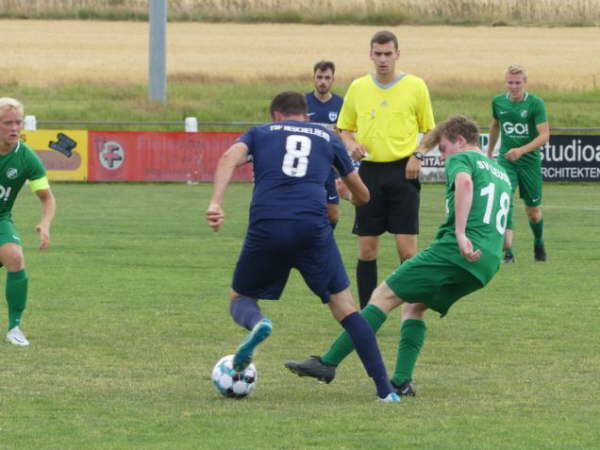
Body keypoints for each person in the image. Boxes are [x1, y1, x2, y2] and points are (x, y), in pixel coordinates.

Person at [285, 116, 512, 396]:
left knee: (383, 295)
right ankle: (402, 381)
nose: (441, 156)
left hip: (455, 250)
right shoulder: (500, 172)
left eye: (442, 148)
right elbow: (508, 234)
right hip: (487, 263)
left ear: (461, 141)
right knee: (414, 306)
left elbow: (464, 183)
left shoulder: (461, 159)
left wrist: (462, 234)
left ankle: (328, 362)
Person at [205, 91, 400, 402]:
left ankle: (258, 323)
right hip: (312, 228)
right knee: (347, 309)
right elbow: (363, 196)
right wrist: (343, 187)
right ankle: (385, 391)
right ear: (305, 115)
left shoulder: (261, 133)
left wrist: (216, 202)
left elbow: (229, 156)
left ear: (276, 116)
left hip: (267, 223)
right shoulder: (326, 136)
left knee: (240, 297)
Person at [336, 30, 436, 309]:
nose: (382, 59)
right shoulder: (358, 87)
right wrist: (350, 144)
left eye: (387, 54)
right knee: (367, 249)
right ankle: (369, 313)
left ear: (397, 54)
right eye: (377, 54)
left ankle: (412, 310)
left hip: (404, 172)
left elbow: (431, 130)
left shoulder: (415, 86)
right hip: (368, 173)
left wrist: (418, 155)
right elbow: (344, 129)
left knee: (407, 251)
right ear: (370, 55)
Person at [0, 97, 56, 347]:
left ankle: (14, 328)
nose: (14, 128)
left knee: (16, 258)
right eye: (7, 123)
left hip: (0, 219)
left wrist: (45, 223)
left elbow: (47, 198)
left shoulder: (26, 158)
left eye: (18, 122)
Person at [487, 64, 549, 263]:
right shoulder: (498, 102)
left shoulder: (536, 104)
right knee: (505, 201)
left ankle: (538, 242)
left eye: (517, 83)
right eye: (510, 82)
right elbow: (495, 125)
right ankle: (508, 251)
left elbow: (545, 135)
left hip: (530, 163)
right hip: (507, 162)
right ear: (506, 82)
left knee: (533, 212)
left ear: (525, 83)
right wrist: (489, 152)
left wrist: (521, 150)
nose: (513, 87)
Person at [305, 60, 344, 228]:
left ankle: (323, 244)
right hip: (307, 167)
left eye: (327, 78)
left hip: (330, 168)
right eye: (319, 77)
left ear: (333, 79)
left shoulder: (341, 104)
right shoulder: (302, 102)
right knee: (306, 211)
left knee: (332, 216)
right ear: (313, 78)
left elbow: (345, 136)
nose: (323, 81)